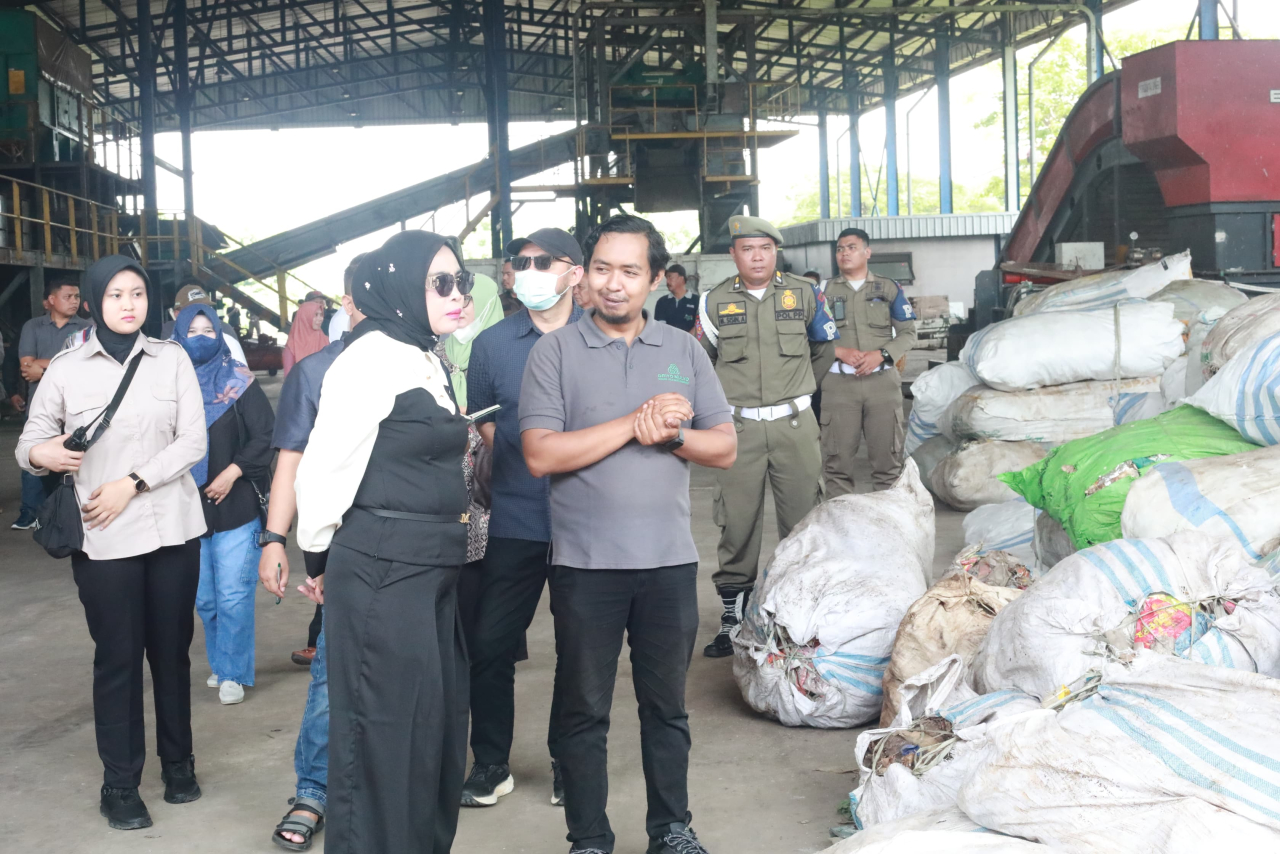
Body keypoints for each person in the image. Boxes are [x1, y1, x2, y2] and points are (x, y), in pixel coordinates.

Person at [520, 213, 736, 854]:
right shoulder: (554, 352)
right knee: (584, 710)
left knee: (665, 708)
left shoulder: (682, 349)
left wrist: (671, 434)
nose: (616, 284)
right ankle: (588, 837)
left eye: (631, 272)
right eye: (605, 269)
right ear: (585, 276)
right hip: (586, 568)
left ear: (653, 279)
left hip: (668, 562)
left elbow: (722, 447)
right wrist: (632, 423)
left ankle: (671, 828)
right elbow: (540, 454)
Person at [294, 230, 473, 854]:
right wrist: (317, 557)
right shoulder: (368, 359)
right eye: (440, 283)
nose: (458, 295)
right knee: (379, 746)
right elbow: (322, 470)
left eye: (462, 282)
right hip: (381, 571)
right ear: (398, 285)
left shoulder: (421, 353)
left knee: (435, 739)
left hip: (432, 572)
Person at [16, 256, 208, 830]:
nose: (129, 304)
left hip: (172, 527)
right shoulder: (67, 369)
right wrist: (42, 453)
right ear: (96, 301)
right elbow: (28, 442)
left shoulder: (171, 358)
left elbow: (193, 439)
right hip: (102, 537)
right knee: (118, 658)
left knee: (171, 655)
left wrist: (134, 482)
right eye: (117, 294)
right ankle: (120, 784)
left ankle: (179, 765)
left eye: (138, 294)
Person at [460, 226, 585, 809]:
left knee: (579, 647)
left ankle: (569, 758)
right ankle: (490, 763)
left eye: (543, 261)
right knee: (489, 644)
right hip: (514, 516)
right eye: (520, 262)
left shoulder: (603, 339)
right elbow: (486, 424)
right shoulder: (491, 346)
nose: (528, 271)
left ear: (574, 273)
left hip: (587, 522)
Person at [258, 253, 367, 851]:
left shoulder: (427, 366)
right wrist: (275, 540)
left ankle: (397, 781)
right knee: (331, 671)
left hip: (415, 549)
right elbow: (290, 463)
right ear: (350, 304)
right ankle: (315, 791)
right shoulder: (317, 372)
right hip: (343, 549)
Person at [695, 215, 838, 658]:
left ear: (775, 252)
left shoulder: (805, 294)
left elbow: (824, 349)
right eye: (747, 249)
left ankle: (802, 612)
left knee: (804, 521)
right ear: (733, 254)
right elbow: (702, 361)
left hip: (795, 425)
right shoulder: (713, 303)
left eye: (765, 248)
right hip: (737, 429)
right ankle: (733, 617)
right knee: (737, 522)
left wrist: (797, 395)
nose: (756, 257)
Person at [172, 304, 275, 706]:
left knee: (233, 593)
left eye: (208, 330)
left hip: (236, 507)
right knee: (206, 599)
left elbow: (265, 436)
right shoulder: (168, 386)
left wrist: (233, 471)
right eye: (192, 330)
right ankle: (222, 665)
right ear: (178, 336)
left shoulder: (239, 382)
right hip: (186, 510)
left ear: (220, 335)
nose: (200, 337)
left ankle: (232, 673)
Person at [819, 228, 917, 494]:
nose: (844, 253)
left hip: (882, 385)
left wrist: (882, 354)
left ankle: (886, 528)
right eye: (839, 249)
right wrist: (839, 352)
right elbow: (807, 337)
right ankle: (841, 527)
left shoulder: (888, 288)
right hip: (839, 386)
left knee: (888, 464)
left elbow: (909, 332)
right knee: (837, 465)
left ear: (867, 252)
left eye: (851, 247)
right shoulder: (822, 291)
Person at [11, 279, 90, 529]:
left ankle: (70, 512)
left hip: (78, 407)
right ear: (51, 300)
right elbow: (27, 366)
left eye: (77, 296)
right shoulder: (33, 326)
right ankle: (30, 513)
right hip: (41, 406)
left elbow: (85, 367)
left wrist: (43, 366)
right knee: (36, 457)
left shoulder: (88, 327)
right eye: (68, 296)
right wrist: (64, 364)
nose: (74, 301)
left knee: (77, 460)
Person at [160, 283, 248, 364]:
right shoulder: (169, 331)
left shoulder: (225, 329)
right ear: (177, 314)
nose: (201, 312)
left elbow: (241, 370)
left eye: (206, 307)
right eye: (193, 309)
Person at [281, 299, 328, 377]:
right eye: (316, 315)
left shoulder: (325, 340)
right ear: (305, 317)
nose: (320, 319)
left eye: (321, 315)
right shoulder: (291, 347)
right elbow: (289, 379)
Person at [654, 264, 698, 332]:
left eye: (670, 277)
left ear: (681, 278)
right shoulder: (662, 302)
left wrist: (687, 340)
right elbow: (660, 327)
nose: (667, 282)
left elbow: (699, 325)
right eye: (667, 278)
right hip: (668, 341)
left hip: (690, 341)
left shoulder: (696, 301)